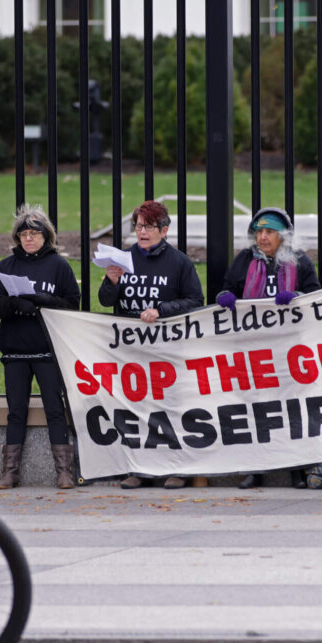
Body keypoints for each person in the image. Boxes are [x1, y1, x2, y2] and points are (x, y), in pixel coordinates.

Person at [99, 200, 203, 489]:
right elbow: (106, 301)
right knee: (134, 407)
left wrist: (161, 310)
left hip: (166, 348)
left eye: (149, 226)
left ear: (164, 230)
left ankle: (176, 469)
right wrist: (110, 282)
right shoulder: (123, 258)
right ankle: (138, 469)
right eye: (138, 226)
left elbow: (196, 301)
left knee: (168, 408)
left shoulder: (179, 262)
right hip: (130, 350)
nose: (142, 232)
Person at [216, 207, 322, 489]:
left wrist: (297, 296)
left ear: (283, 236)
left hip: (289, 349)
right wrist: (225, 296)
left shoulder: (299, 262)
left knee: (293, 408)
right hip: (253, 350)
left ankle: (296, 469)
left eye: (269, 232)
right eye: (259, 232)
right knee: (255, 408)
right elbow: (228, 289)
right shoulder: (245, 260)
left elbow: (316, 297)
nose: (263, 238)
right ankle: (255, 468)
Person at [0, 205, 80, 490]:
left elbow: (72, 303)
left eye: (34, 234)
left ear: (46, 236)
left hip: (47, 350)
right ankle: (9, 472)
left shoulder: (58, 266)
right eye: (24, 233)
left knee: (55, 408)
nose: (29, 238)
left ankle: (64, 471)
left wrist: (43, 300)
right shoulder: (6, 267)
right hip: (15, 351)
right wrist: (15, 304)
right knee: (16, 410)